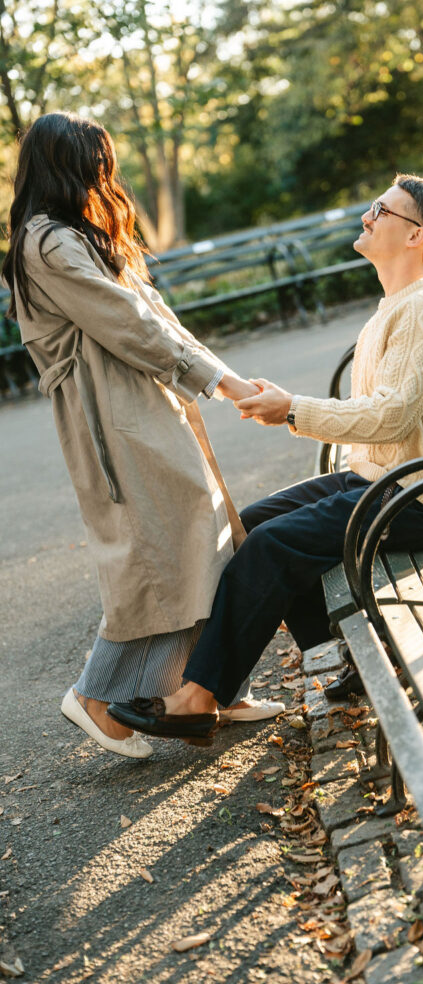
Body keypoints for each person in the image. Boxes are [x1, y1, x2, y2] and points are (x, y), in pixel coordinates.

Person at [108, 173, 423, 744]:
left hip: (420, 496)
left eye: (381, 210)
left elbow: (394, 416)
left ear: (415, 236)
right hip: (380, 480)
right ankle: (339, 654)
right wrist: (286, 402)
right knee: (251, 526)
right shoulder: (396, 306)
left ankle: (197, 699)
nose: (367, 216)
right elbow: (382, 412)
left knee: (272, 546)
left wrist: (293, 410)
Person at [2, 112, 283, 760]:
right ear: (69, 166)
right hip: (112, 418)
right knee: (152, 555)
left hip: (141, 405)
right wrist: (225, 384)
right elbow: (128, 324)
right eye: (97, 160)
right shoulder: (46, 245)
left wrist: (225, 377)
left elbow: (158, 317)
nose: (108, 172)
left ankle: (209, 685)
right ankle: (97, 694)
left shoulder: (78, 234)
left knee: (202, 536)